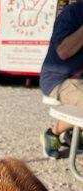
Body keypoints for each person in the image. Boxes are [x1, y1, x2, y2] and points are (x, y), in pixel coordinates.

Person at [40, 1, 83, 159]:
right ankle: (53, 133)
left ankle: (74, 134)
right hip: (58, 79)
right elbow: (63, 52)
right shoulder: (72, 13)